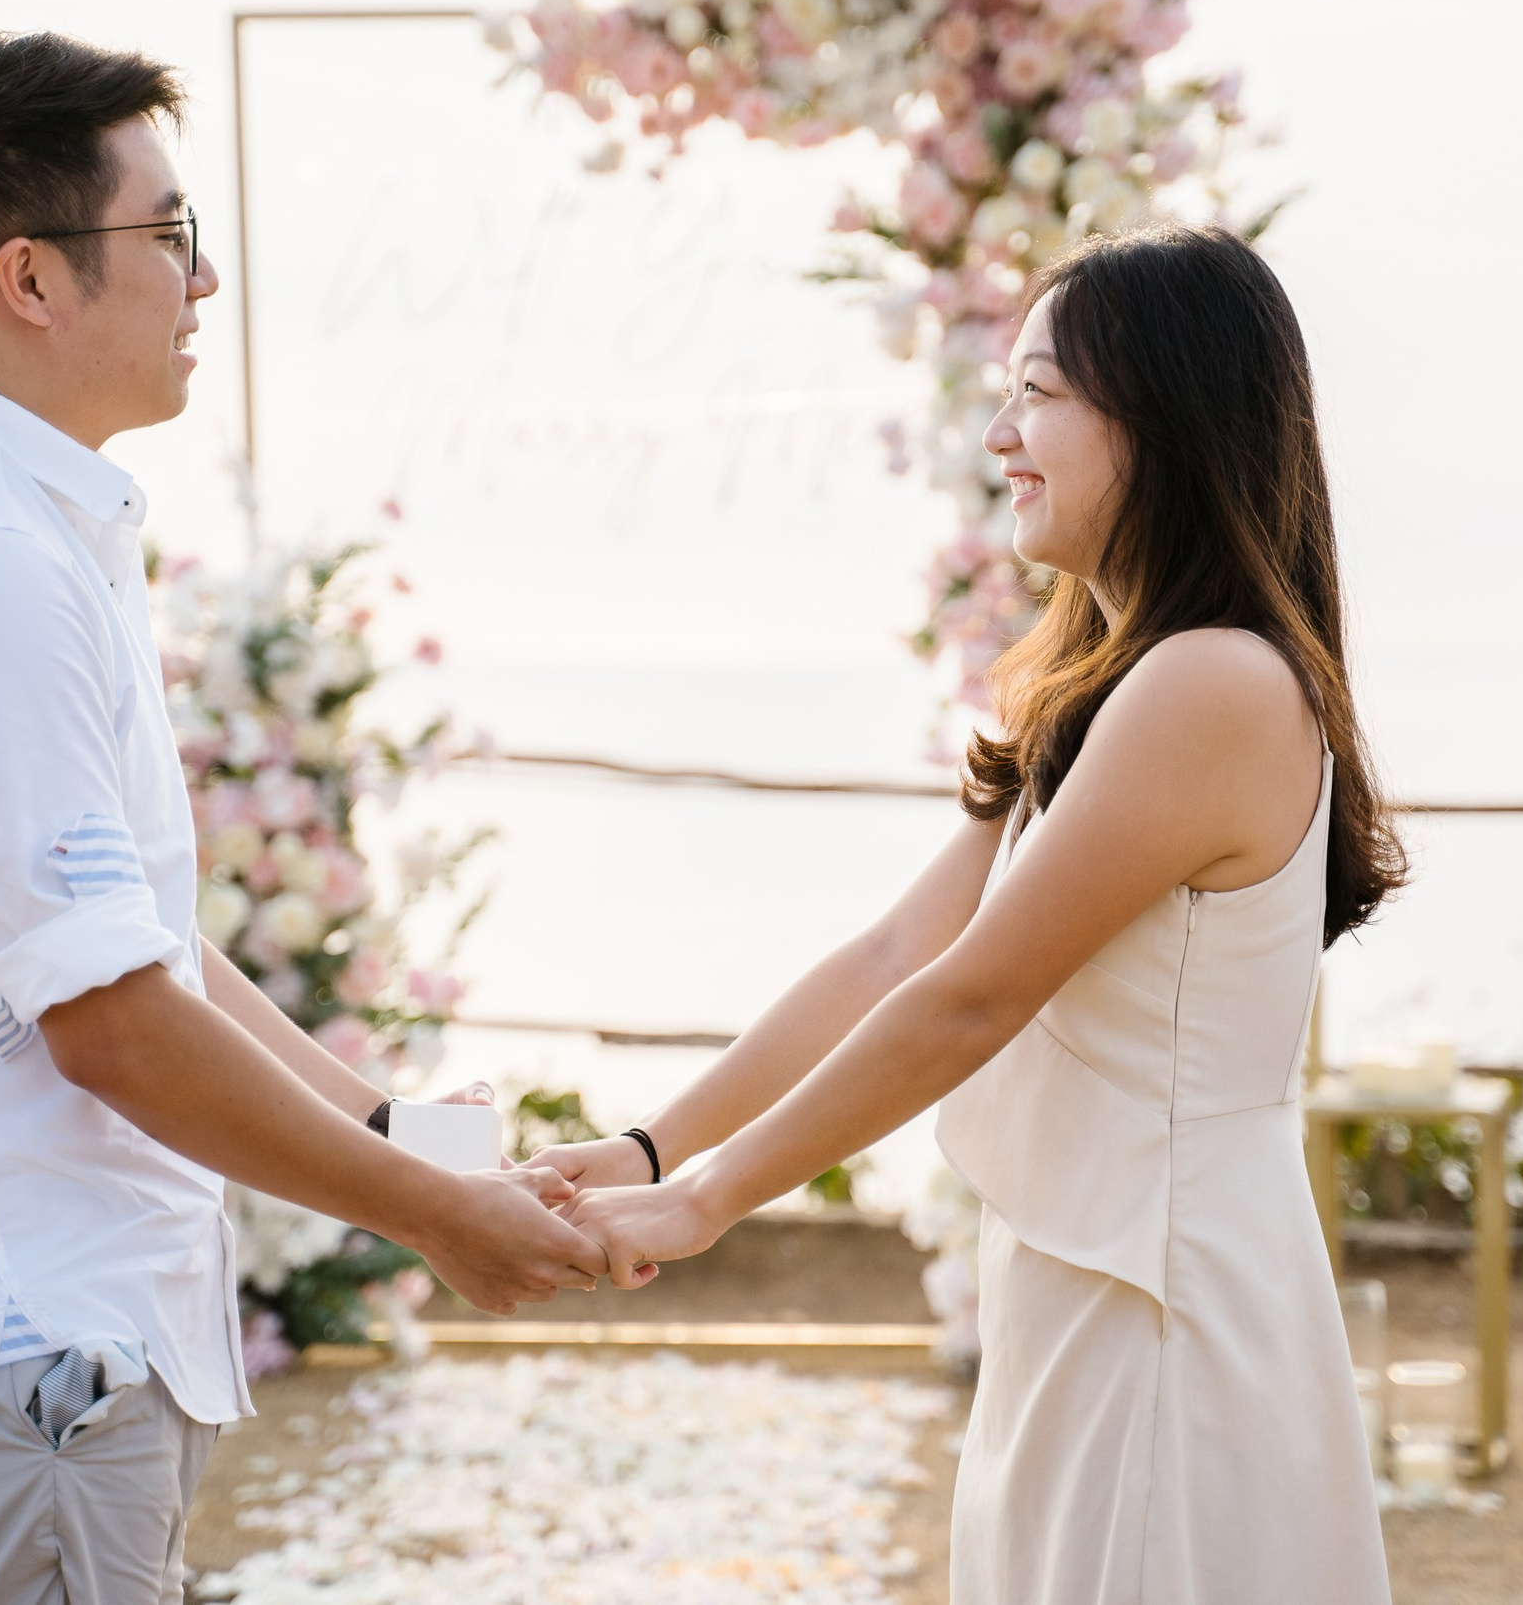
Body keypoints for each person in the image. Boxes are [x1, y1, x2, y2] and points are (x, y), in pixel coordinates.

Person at [0, 30, 604, 1605]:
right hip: (21, 1363)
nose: (202, 283)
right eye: (170, 236)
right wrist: (435, 1218)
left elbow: (133, 946)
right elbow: (112, 1023)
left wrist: (405, 1139)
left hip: (50, 1359)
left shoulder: (2, 530)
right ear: (30, 278)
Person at [537, 224, 1404, 1602]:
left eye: (1040, 391)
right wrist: (651, 1151)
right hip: (1085, 1277)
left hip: (1165, 1296)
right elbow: (898, 955)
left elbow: (973, 998)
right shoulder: (1107, 682)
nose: (1000, 432)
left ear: (1165, 410)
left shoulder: (1216, 684)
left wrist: (711, 1201)